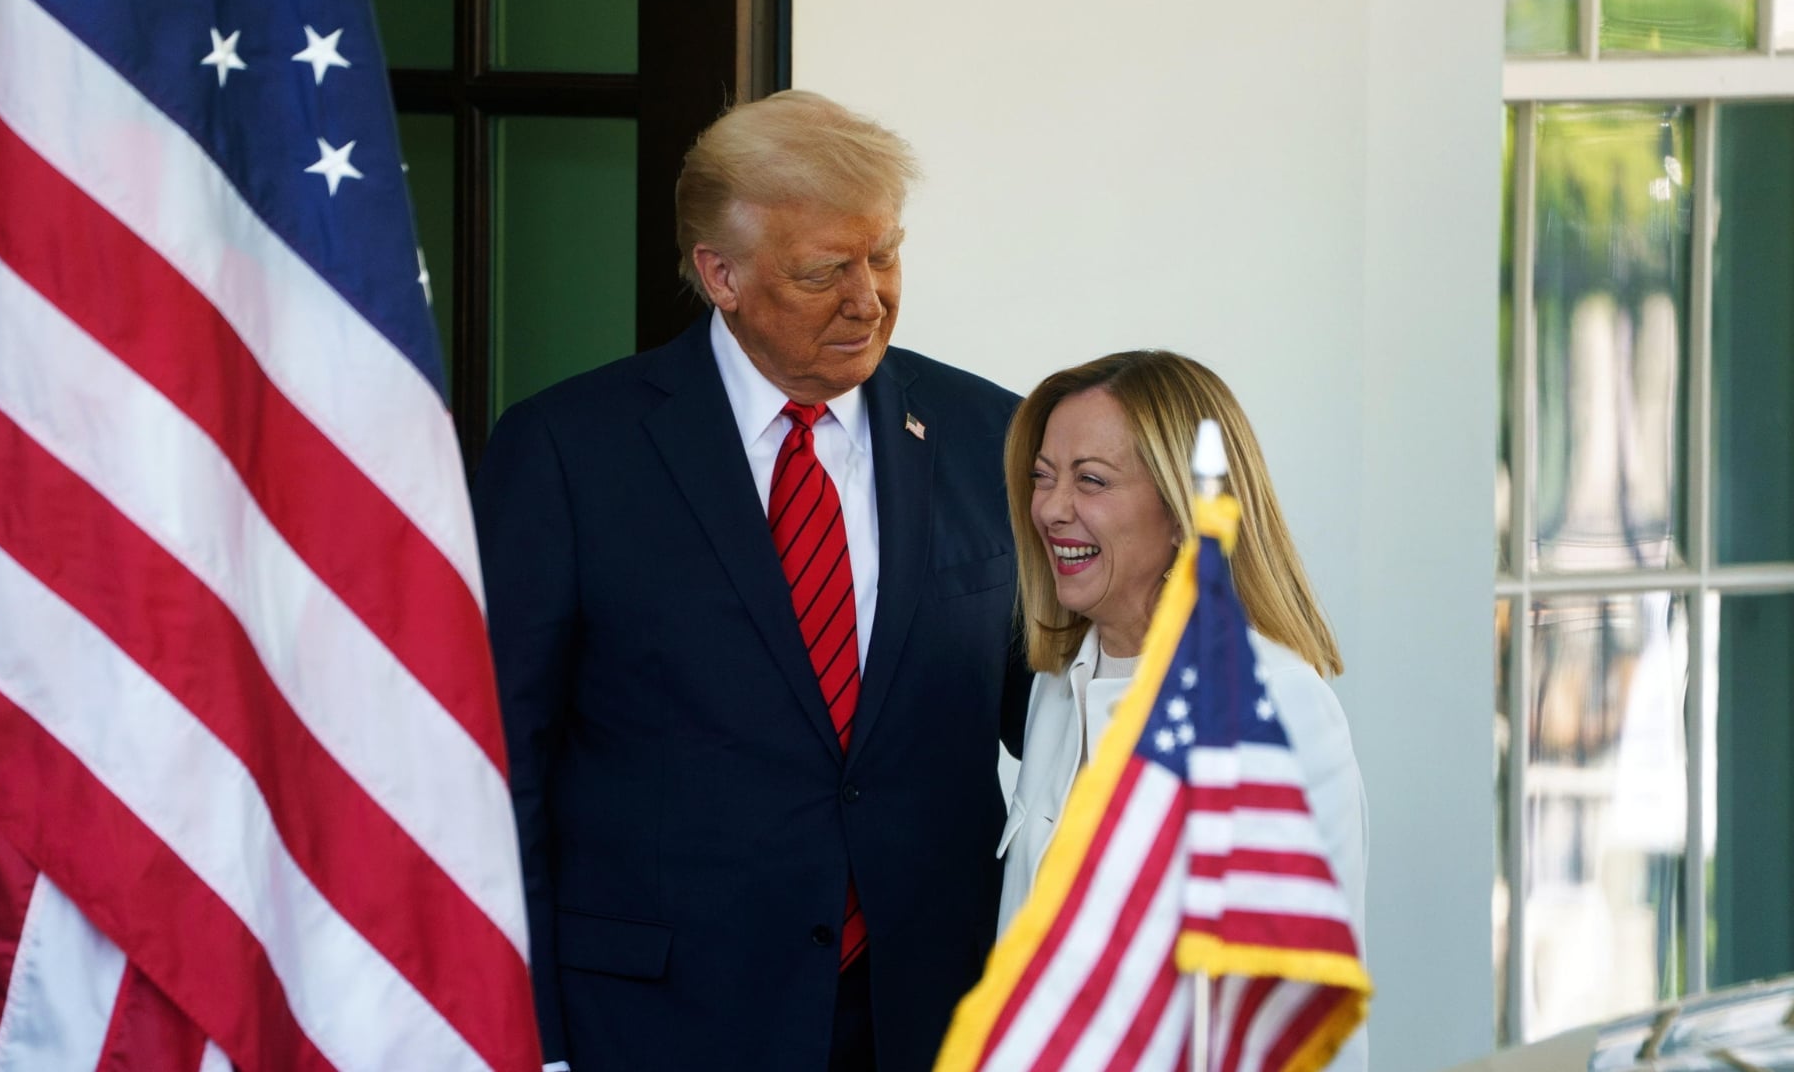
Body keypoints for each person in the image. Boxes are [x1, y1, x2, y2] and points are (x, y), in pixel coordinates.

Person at [473, 90, 1030, 1072]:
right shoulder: (567, 452)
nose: (869, 299)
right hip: (659, 1022)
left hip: (931, 1015)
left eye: (885, 256)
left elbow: (1065, 718)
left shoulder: (998, 436)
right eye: (823, 272)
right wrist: (533, 1039)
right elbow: (499, 764)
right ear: (719, 274)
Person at [996, 350, 1368, 1066]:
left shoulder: (1274, 709)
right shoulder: (1057, 687)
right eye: (1043, 477)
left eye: (1091, 481)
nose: (1050, 508)